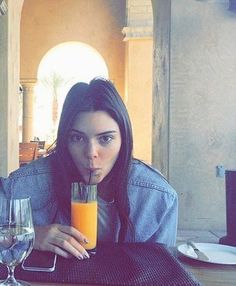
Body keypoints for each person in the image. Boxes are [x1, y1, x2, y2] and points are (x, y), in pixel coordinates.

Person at [0, 78, 178, 260]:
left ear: (124, 139)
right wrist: (29, 235)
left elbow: (163, 269)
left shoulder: (158, 197)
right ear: (65, 140)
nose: (91, 153)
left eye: (105, 139)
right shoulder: (29, 182)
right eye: (77, 138)